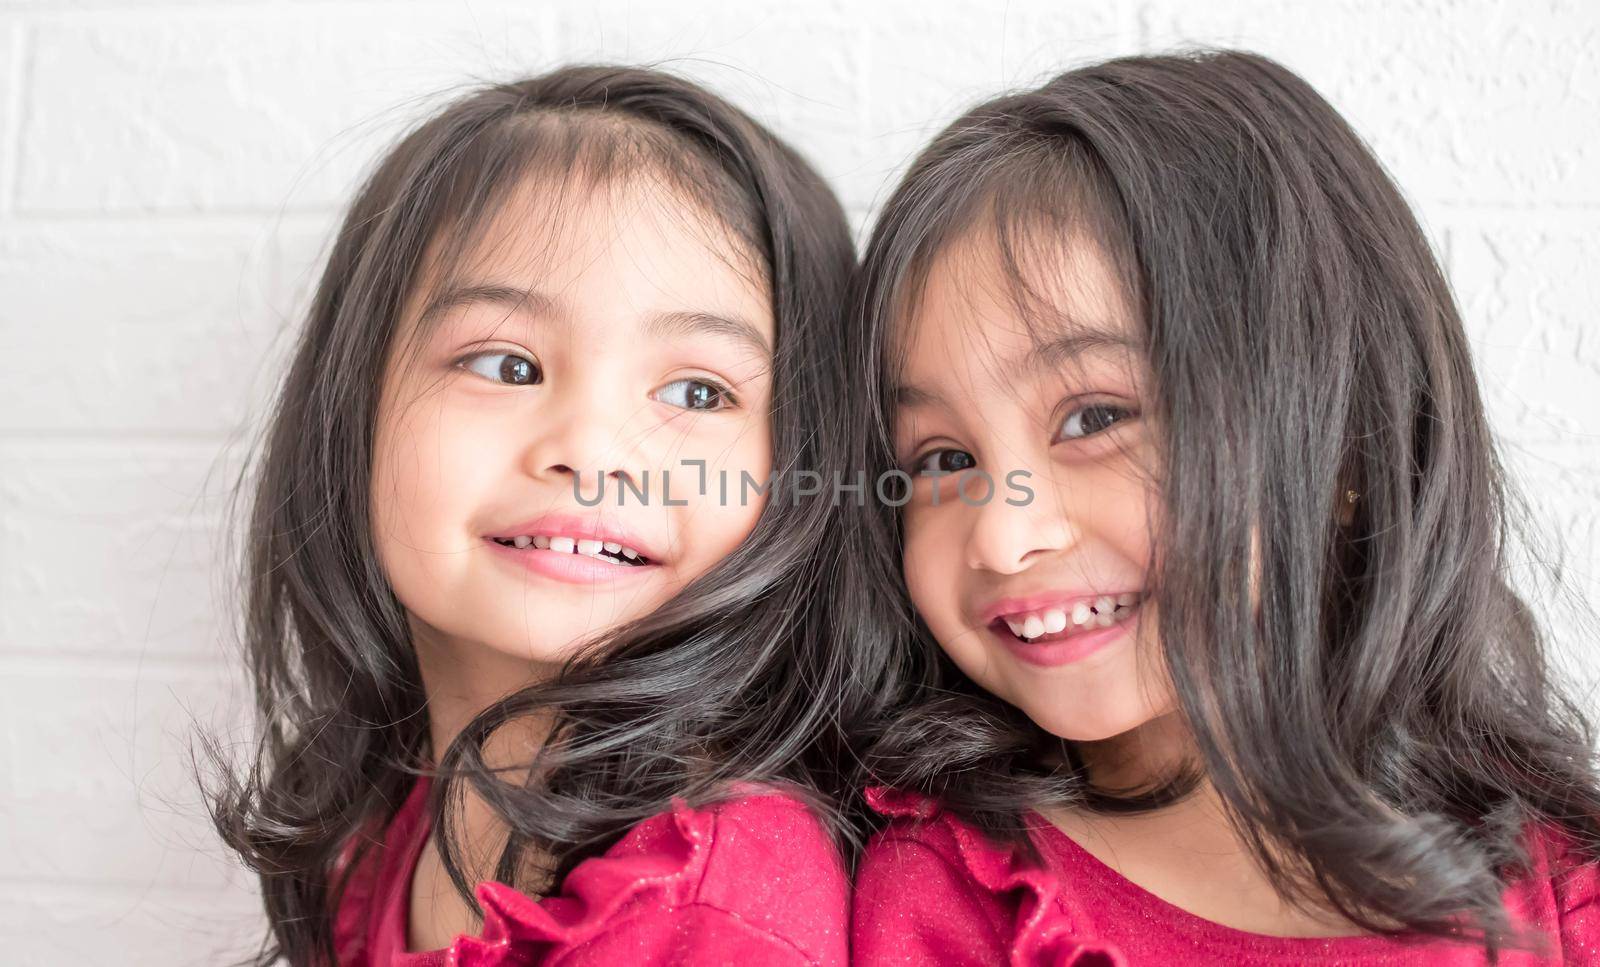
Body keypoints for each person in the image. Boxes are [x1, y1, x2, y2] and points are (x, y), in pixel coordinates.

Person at [847, 50, 1600, 965]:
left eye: (1095, 417)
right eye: (943, 458)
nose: (1006, 535)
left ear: (1344, 440)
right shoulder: (947, 899)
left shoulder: (1564, 892)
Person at [201, 64, 859, 967]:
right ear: (350, 412)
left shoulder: (715, 903)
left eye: (698, 389)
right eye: (506, 365)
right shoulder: (384, 836)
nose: (590, 452)